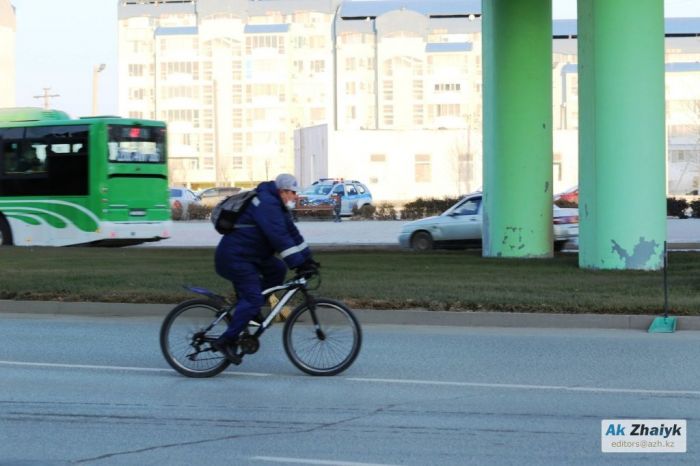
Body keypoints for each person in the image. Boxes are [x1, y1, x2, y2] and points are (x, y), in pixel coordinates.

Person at [212, 173, 319, 363]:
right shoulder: (267, 204)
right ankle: (225, 341)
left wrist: (308, 259)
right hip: (235, 257)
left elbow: (292, 234)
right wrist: (298, 263)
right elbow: (278, 237)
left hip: (252, 256)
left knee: (277, 269)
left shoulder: (277, 206)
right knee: (252, 297)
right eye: (293, 193)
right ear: (283, 191)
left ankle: (250, 310)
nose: (295, 197)